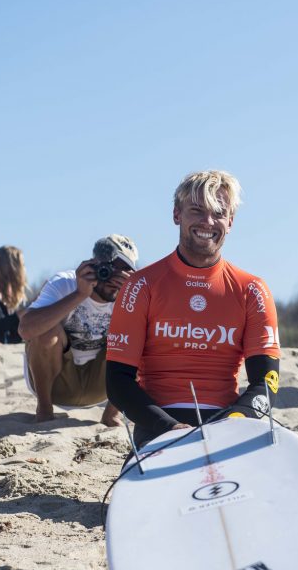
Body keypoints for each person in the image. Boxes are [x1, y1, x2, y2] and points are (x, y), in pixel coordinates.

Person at [106, 170, 282, 449]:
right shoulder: (141, 285)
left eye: (218, 213)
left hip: (229, 423)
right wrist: (171, 428)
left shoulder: (252, 290)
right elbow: (117, 382)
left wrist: (235, 421)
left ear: (231, 222)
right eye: (197, 210)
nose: (207, 222)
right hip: (159, 424)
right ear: (177, 214)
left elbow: (267, 381)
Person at [19, 235, 139, 427]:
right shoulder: (64, 284)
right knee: (45, 331)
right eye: (109, 269)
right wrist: (79, 294)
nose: (114, 278)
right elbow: (26, 330)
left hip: (102, 386)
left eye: (124, 271)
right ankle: (44, 410)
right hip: (56, 382)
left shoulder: (133, 294)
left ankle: (112, 415)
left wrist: (134, 299)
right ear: (93, 265)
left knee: (144, 338)